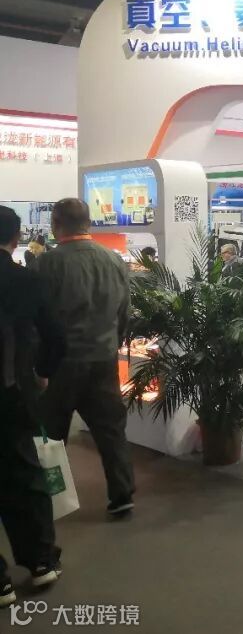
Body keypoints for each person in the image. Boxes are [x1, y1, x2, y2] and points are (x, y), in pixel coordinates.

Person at [36, 198, 136, 516]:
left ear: (56, 225)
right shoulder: (114, 260)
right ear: (88, 223)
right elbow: (124, 312)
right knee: (111, 431)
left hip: (61, 364)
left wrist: (38, 362)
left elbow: (39, 318)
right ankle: (122, 494)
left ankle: (49, 499)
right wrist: (112, 343)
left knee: (51, 434)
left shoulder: (47, 263)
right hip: (103, 359)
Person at [0, 206, 66, 605]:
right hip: (14, 392)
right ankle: (41, 561)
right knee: (24, 475)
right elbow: (55, 337)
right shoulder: (26, 280)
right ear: (15, 238)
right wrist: (42, 372)